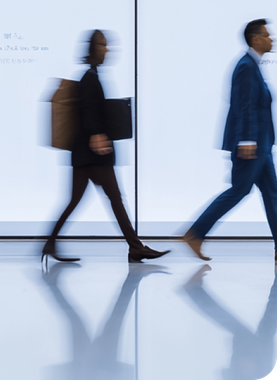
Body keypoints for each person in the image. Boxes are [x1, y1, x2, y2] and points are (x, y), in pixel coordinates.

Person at [42, 30, 170, 264]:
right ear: (93, 48)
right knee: (114, 198)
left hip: (83, 154)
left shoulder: (91, 75)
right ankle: (135, 247)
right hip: (92, 154)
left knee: (81, 200)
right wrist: (97, 134)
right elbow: (88, 109)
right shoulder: (90, 77)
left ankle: (50, 243)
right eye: (103, 44)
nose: (107, 49)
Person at [183, 19, 276, 261]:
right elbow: (244, 106)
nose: (271, 39)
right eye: (267, 35)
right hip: (252, 146)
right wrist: (246, 140)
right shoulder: (246, 66)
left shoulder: (252, 65)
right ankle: (195, 233)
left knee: (273, 195)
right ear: (255, 39)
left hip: (261, 146)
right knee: (239, 190)